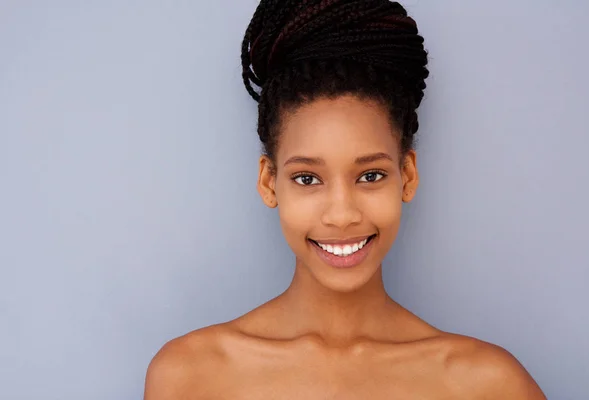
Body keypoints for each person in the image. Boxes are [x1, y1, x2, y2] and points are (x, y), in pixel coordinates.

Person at [144, 1, 546, 398]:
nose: (342, 214)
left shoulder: (488, 385)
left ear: (407, 176)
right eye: (307, 178)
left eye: (370, 176)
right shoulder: (190, 376)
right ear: (269, 182)